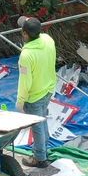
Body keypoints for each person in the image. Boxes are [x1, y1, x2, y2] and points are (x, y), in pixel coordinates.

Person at [15, 14, 57, 166]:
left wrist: (20, 102)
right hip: (49, 89)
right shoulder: (48, 40)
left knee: (37, 126)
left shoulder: (26, 55)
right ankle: (45, 149)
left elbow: (25, 82)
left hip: (34, 96)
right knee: (43, 120)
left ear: (25, 34)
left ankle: (40, 159)